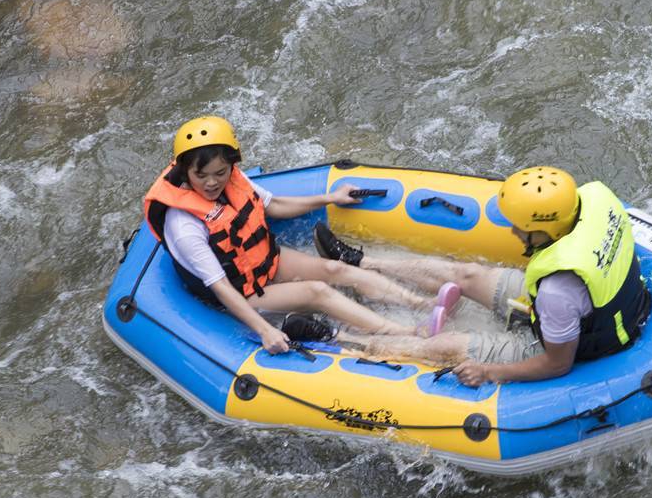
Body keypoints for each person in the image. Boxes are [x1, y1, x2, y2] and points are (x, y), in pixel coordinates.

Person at [144, 116, 459, 355]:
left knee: (335, 268)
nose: (212, 183)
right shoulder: (184, 225)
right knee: (317, 292)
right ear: (185, 171)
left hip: (265, 263)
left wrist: (330, 198)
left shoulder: (234, 181)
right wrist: (265, 330)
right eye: (201, 175)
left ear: (231, 165)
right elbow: (223, 288)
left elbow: (275, 205)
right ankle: (406, 332)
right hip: (242, 293)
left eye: (220, 173)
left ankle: (421, 304)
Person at [312, 165, 651, 386]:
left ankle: (336, 340)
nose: (515, 232)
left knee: (446, 347)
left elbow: (557, 364)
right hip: (573, 306)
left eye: (523, 228)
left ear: (545, 230)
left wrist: (489, 372)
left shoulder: (557, 291)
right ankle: (360, 262)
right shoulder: (585, 209)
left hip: (567, 339)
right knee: (467, 275)